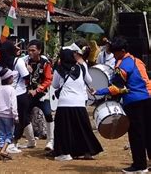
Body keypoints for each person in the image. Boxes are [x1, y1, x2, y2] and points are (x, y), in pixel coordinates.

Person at [94, 37, 150, 172]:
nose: (114, 55)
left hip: (134, 102)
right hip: (148, 98)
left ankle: (139, 165)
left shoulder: (122, 65)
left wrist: (99, 91)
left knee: (136, 134)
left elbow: (116, 88)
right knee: (148, 132)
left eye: (115, 53)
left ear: (122, 51)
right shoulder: (138, 61)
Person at [53, 48, 102, 161]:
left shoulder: (58, 69)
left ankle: (65, 153)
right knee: (82, 129)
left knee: (64, 129)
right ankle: (87, 151)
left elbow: (55, 85)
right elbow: (89, 80)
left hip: (64, 103)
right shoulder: (81, 67)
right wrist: (83, 63)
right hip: (79, 103)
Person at [0, 41, 32, 153]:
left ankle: (30, 141)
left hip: (5, 96)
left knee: (14, 119)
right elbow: (26, 76)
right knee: (20, 119)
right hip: (20, 94)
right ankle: (13, 142)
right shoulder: (18, 61)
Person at [24, 39, 54, 151]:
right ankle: (31, 141)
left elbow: (48, 79)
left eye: (33, 50)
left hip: (42, 94)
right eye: (29, 50)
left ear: (39, 51)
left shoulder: (45, 63)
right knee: (24, 115)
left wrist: (37, 90)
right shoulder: (24, 62)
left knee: (48, 114)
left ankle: (50, 141)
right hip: (28, 93)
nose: (30, 52)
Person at [0, 68, 18, 161]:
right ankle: (4, 150)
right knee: (9, 135)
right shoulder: (11, 90)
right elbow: (14, 104)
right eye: (12, 77)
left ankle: (3, 152)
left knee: (1, 134)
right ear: (9, 79)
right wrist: (16, 116)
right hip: (8, 115)